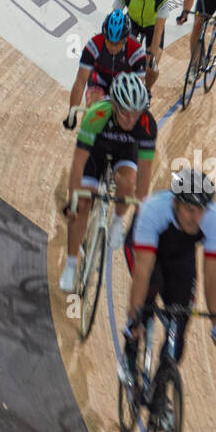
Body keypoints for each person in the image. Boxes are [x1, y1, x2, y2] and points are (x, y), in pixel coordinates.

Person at [120, 169, 216, 423]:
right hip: (146, 249)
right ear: (175, 202)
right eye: (190, 210)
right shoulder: (154, 210)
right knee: (149, 291)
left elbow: (212, 275)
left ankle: (159, 394)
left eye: (201, 210)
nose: (196, 217)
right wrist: (135, 316)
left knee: (179, 328)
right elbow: (143, 270)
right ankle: (130, 354)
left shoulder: (212, 219)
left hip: (179, 257)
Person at [59, 71, 155, 294]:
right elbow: (78, 163)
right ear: (113, 105)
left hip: (125, 153)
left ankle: (116, 223)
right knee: (82, 205)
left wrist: (140, 212)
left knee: (127, 184)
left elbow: (145, 174)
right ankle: (71, 265)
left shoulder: (146, 124)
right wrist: (73, 200)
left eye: (135, 114)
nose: (131, 120)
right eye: (125, 114)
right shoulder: (97, 114)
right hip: (96, 153)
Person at [63, 9, 147, 128]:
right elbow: (80, 82)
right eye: (109, 42)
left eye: (117, 43)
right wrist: (72, 114)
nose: (113, 47)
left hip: (124, 86)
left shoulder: (136, 51)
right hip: (100, 81)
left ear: (125, 39)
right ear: (104, 36)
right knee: (92, 105)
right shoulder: (94, 45)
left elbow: (137, 87)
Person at [113, 0, 170, 89]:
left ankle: (147, 91)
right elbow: (114, 20)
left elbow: (158, 31)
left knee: (151, 67)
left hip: (152, 28)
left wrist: (151, 56)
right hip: (132, 24)